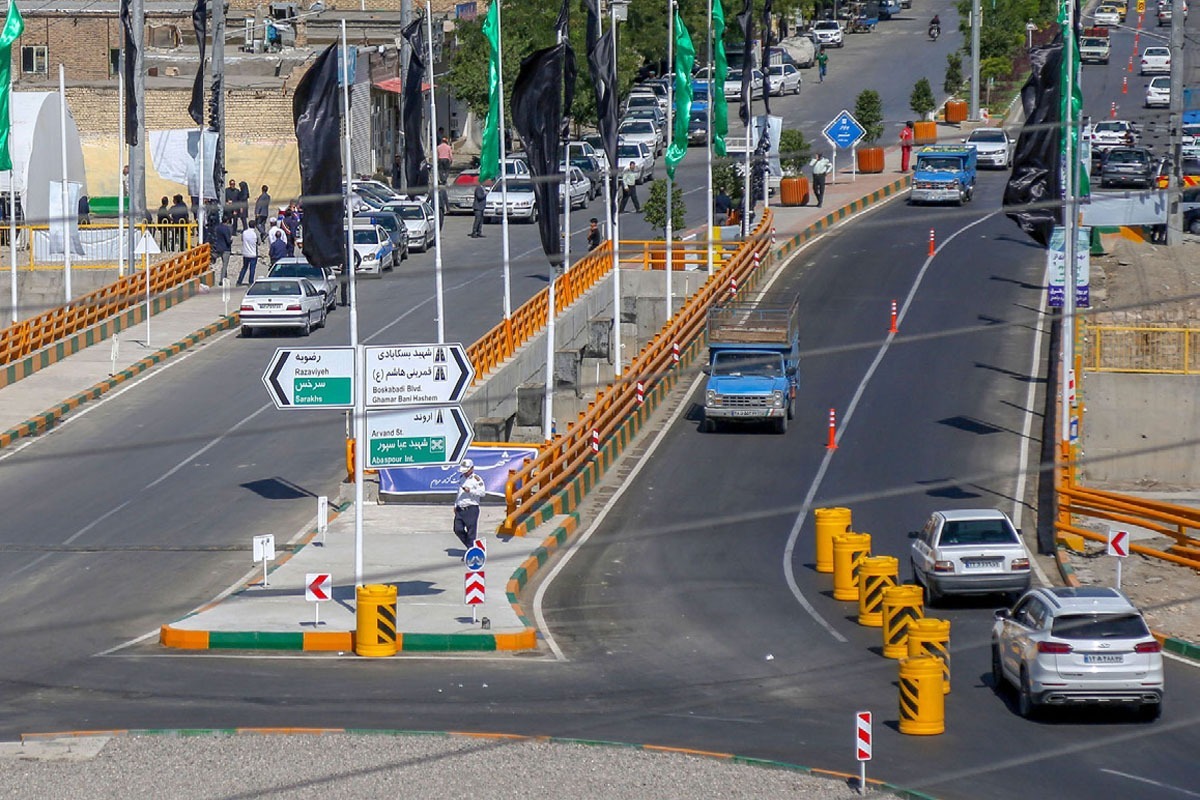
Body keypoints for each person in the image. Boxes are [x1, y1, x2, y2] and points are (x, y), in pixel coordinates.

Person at [452, 458, 486, 552]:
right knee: (457, 529)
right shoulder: (461, 478)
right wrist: (456, 504)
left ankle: (471, 551)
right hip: (460, 508)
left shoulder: (476, 479)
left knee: (471, 532)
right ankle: (472, 547)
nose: (465, 473)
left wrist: (470, 491)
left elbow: (482, 492)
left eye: (466, 471)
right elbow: (459, 492)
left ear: (472, 469)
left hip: (471, 508)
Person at [211, 215, 234, 285]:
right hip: (226, 249)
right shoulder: (226, 229)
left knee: (224, 264)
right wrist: (231, 241)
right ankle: (222, 279)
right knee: (225, 265)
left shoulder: (217, 227)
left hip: (218, 247)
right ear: (227, 221)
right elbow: (228, 240)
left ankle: (225, 277)